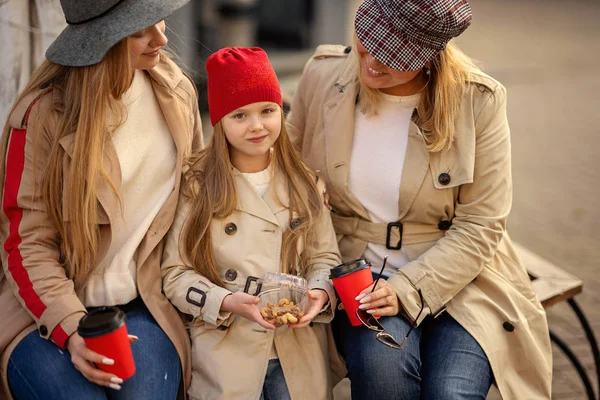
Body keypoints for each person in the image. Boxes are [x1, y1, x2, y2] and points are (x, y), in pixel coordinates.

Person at [287, 0, 553, 398]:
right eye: (368, 40)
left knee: (451, 393)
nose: (373, 60)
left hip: (463, 281)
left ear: (431, 54)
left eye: (394, 55)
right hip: (361, 282)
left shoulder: (478, 100)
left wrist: (408, 289)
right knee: (383, 377)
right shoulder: (323, 76)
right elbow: (283, 174)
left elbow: (481, 224)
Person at [0, 0, 203, 398]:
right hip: (46, 307)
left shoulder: (176, 92)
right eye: (139, 30)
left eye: (155, 19)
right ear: (101, 42)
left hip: (146, 301)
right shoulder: (41, 115)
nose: (161, 37)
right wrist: (72, 329)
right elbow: (25, 244)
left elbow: (196, 204)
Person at [161, 47, 342, 400]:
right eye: (239, 115)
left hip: (296, 344)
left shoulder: (304, 181)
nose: (257, 125)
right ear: (219, 121)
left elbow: (326, 258)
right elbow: (175, 274)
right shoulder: (197, 185)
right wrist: (226, 301)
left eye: (267, 111)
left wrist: (319, 293)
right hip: (227, 345)